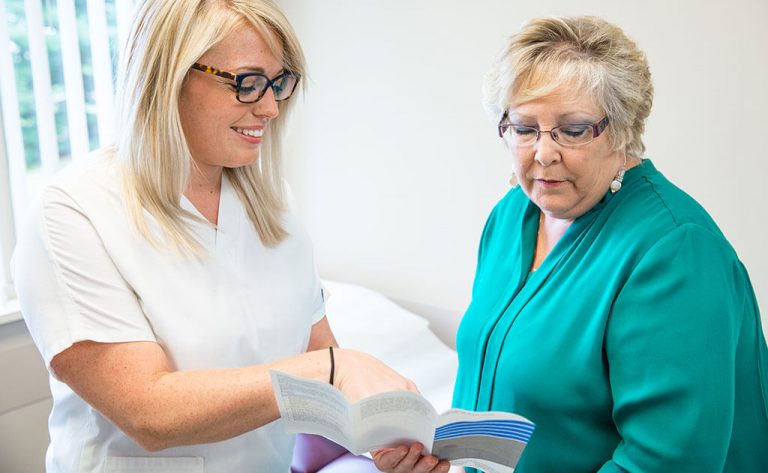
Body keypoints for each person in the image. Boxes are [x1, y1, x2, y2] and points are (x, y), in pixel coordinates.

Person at [11, 0, 418, 471]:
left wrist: (384, 438)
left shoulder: (273, 205)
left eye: (278, 83)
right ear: (169, 78)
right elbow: (149, 413)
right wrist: (327, 370)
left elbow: (319, 356)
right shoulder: (74, 212)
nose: (270, 107)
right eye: (247, 83)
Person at [374, 15, 768, 473]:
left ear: (622, 130)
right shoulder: (512, 215)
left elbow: (667, 462)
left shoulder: (677, 251)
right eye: (525, 128)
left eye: (574, 130)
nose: (544, 153)